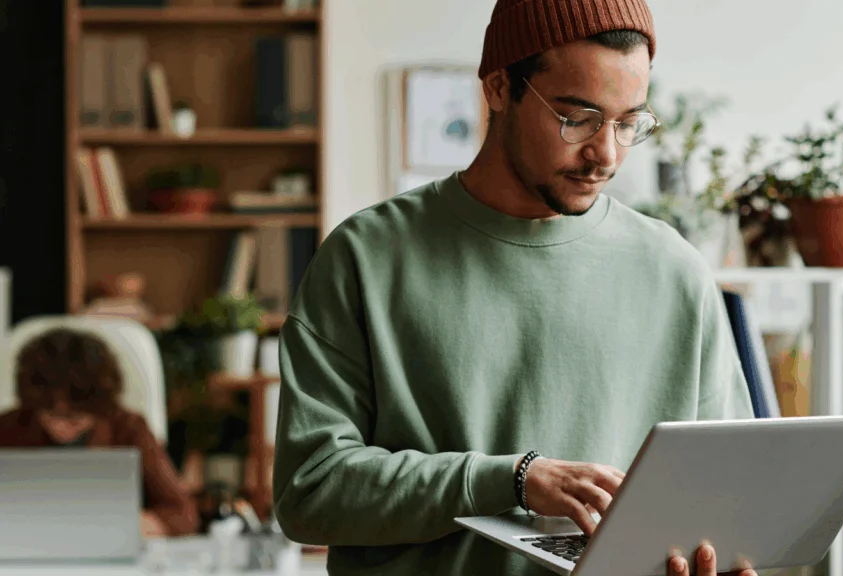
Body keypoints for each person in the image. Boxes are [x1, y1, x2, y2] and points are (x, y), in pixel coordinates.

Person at [272, 0, 757, 574]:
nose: (606, 154)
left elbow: (727, 500)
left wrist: (720, 557)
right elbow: (310, 490)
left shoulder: (676, 271)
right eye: (577, 119)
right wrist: (512, 480)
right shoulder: (365, 257)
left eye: (629, 123)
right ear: (500, 88)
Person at [0, 328, 200, 538]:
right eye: (50, 415)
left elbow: (183, 514)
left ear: (100, 410)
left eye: (75, 418)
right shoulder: (8, 428)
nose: (61, 427)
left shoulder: (128, 428)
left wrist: (125, 527)